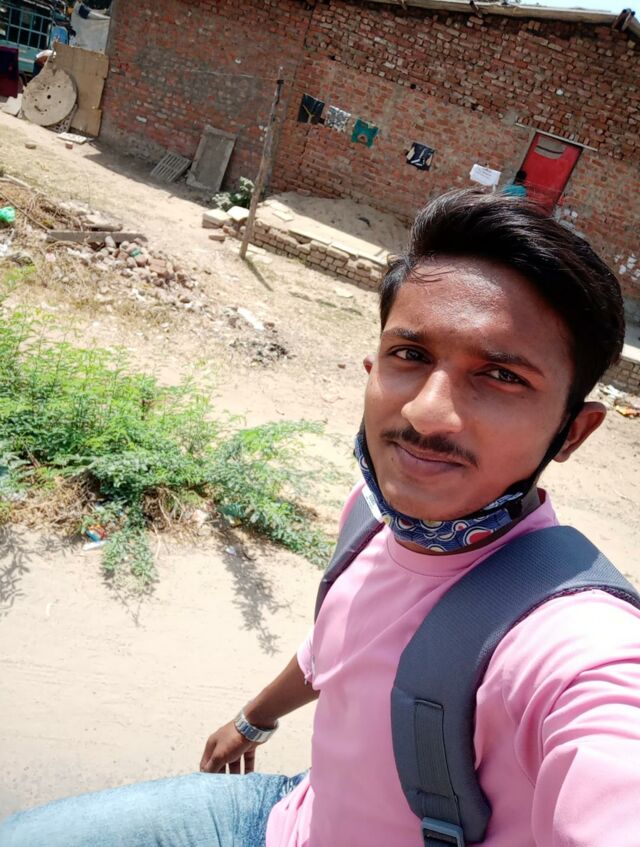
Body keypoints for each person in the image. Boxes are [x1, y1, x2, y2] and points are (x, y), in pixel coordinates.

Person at [2, 190, 640, 846]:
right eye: (410, 355)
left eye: (501, 375)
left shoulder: (579, 647)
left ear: (573, 431)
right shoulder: (371, 516)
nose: (426, 414)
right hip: (280, 816)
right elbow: (339, 645)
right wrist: (253, 720)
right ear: (372, 369)